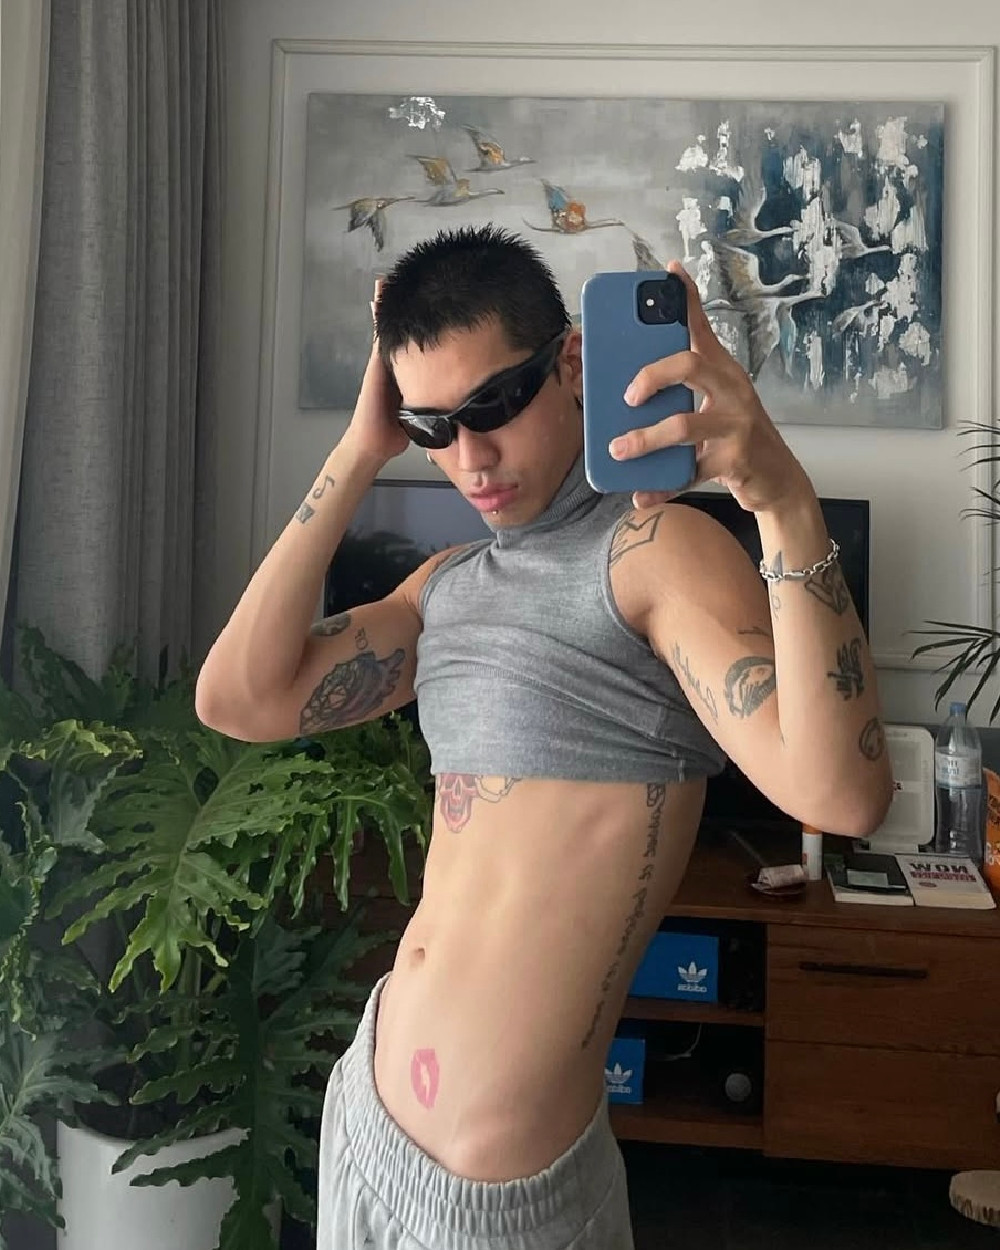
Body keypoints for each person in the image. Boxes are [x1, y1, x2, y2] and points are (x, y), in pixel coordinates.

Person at [195, 225, 893, 1249]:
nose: (469, 458)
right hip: (366, 1128)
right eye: (434, 426)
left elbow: (841, 796)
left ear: (570, 363)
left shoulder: (653, 549)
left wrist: (782, 497)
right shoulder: (445, 587)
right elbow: (238, 699)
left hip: (500, 1204)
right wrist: (361, 448)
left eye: (493, 406)